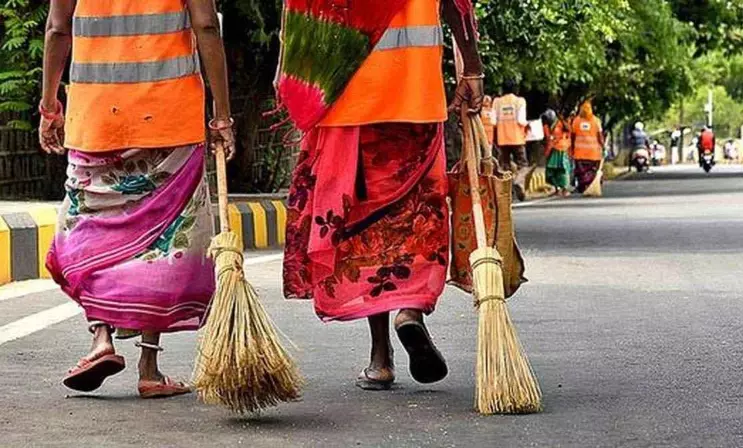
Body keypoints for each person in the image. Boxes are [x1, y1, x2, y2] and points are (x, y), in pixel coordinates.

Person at [281, 0, 483, 390]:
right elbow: (458, 5)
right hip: (415, 98)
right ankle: (410, 311)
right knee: (418, 214)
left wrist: (294, 81)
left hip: (348, 102)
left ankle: (380, 357)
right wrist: (471, 66)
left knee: (365, 226)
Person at [39, 0, 234, 397]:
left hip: (96, 117)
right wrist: (223, 115)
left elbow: (58, 30)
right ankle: (149, 367)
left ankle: (102, 338)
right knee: (160, 241)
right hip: (170, 120)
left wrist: (49, 106)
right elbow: (206, 27)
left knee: (92, 227)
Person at [493, 80, 530, 179]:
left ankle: (505, 188)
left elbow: (493, 121)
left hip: (502, 138)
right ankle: (520, 184)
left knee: (504, 164)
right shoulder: (520, 101)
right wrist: (528, 125)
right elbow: (521, 120)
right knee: (522, 164)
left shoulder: (497, 102)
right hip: (517, 138)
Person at [571, 101, 605, 193]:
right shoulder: (596, 121)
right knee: (592, 171)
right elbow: (600, 137)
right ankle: (590, 185)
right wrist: (603, 146)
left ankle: (584, 185)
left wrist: (572, 149)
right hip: (593, 154)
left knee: (581, 172)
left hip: (579, 153)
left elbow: (572, 137)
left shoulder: (576, 121)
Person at [541, 109, 572, 197]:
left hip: (561, 150)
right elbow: (547, 140)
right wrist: (547, 152)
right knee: (551, 171)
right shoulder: (546, 127)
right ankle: (557, 189)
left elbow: (569, 129)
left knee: (563, 170)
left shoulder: (560, 123)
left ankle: (565, 189)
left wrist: (562, 120)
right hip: (552, 150)